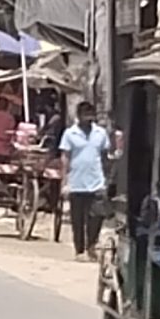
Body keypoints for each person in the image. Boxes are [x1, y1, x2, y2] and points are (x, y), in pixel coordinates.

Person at [60, 100, 117, 258]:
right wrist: (64, 182)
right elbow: (65, 157)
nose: (88, 118)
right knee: (77, 220)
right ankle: (79, 250)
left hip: (96, 182)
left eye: (91, 114)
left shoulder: (100, 133)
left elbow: (105, 157)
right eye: (85, 114)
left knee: (96, 218)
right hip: (76, 183)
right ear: (78, 116)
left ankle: (91, 246)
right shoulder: (70, 134)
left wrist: (107, 178)